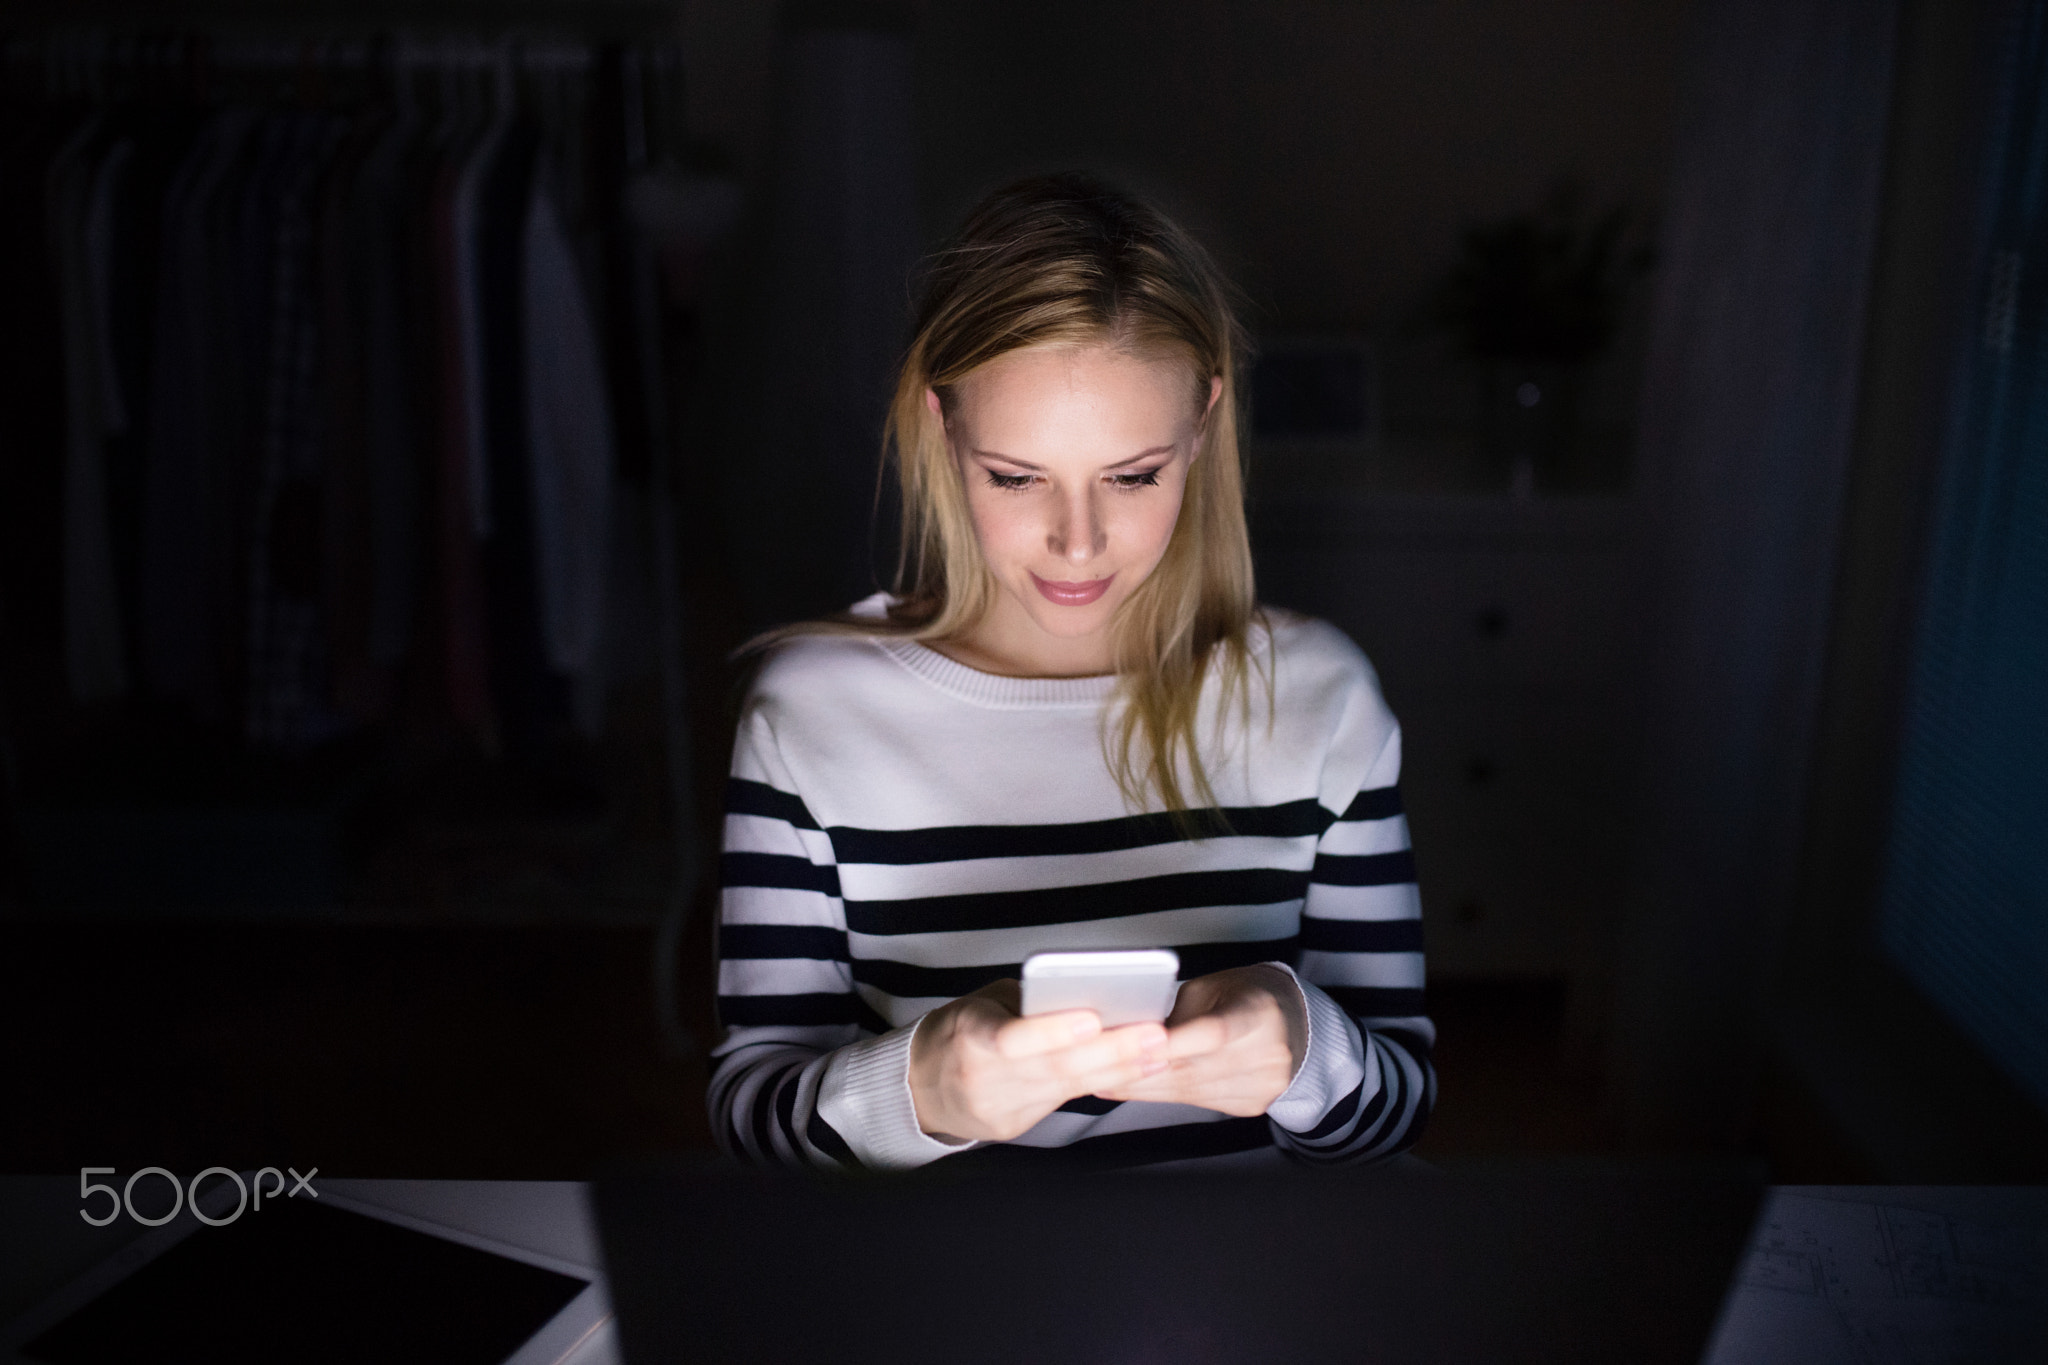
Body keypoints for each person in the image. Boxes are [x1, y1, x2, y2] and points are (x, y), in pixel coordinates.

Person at [709, 174, 1433, 1171]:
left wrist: (1303, 1047)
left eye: (1133, 476)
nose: (1078, 543)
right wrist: (922, 1087)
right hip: (937, 1291)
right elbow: (752, 1110)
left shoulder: (1318, 698)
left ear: (1202, 427)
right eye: (1015, 477)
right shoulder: (810, 714)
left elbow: (1400, 1103)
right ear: (941, 429)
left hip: (1246, 1288)